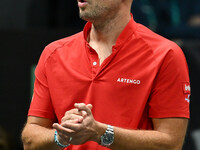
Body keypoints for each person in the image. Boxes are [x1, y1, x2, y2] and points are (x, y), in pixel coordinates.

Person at [21, 0, 190, 149]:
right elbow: (30, 139)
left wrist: (101, 133)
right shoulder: (53, 54)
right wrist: (61, 136)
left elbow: (170, 144)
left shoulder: (165, 54)